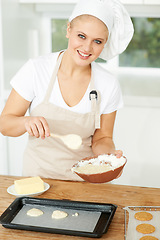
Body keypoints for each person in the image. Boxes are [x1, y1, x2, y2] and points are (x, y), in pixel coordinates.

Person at [0, 0, 134, 180]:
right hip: (38, 179)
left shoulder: (108, 84)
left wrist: (108, 158)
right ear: (68, 29)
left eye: (97, 41)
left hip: (84, 179)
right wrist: (25, 122)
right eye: (81, 36)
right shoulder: (36, 70)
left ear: (105, 43)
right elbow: (5, 125)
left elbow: (103, 138)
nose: (87, 48)